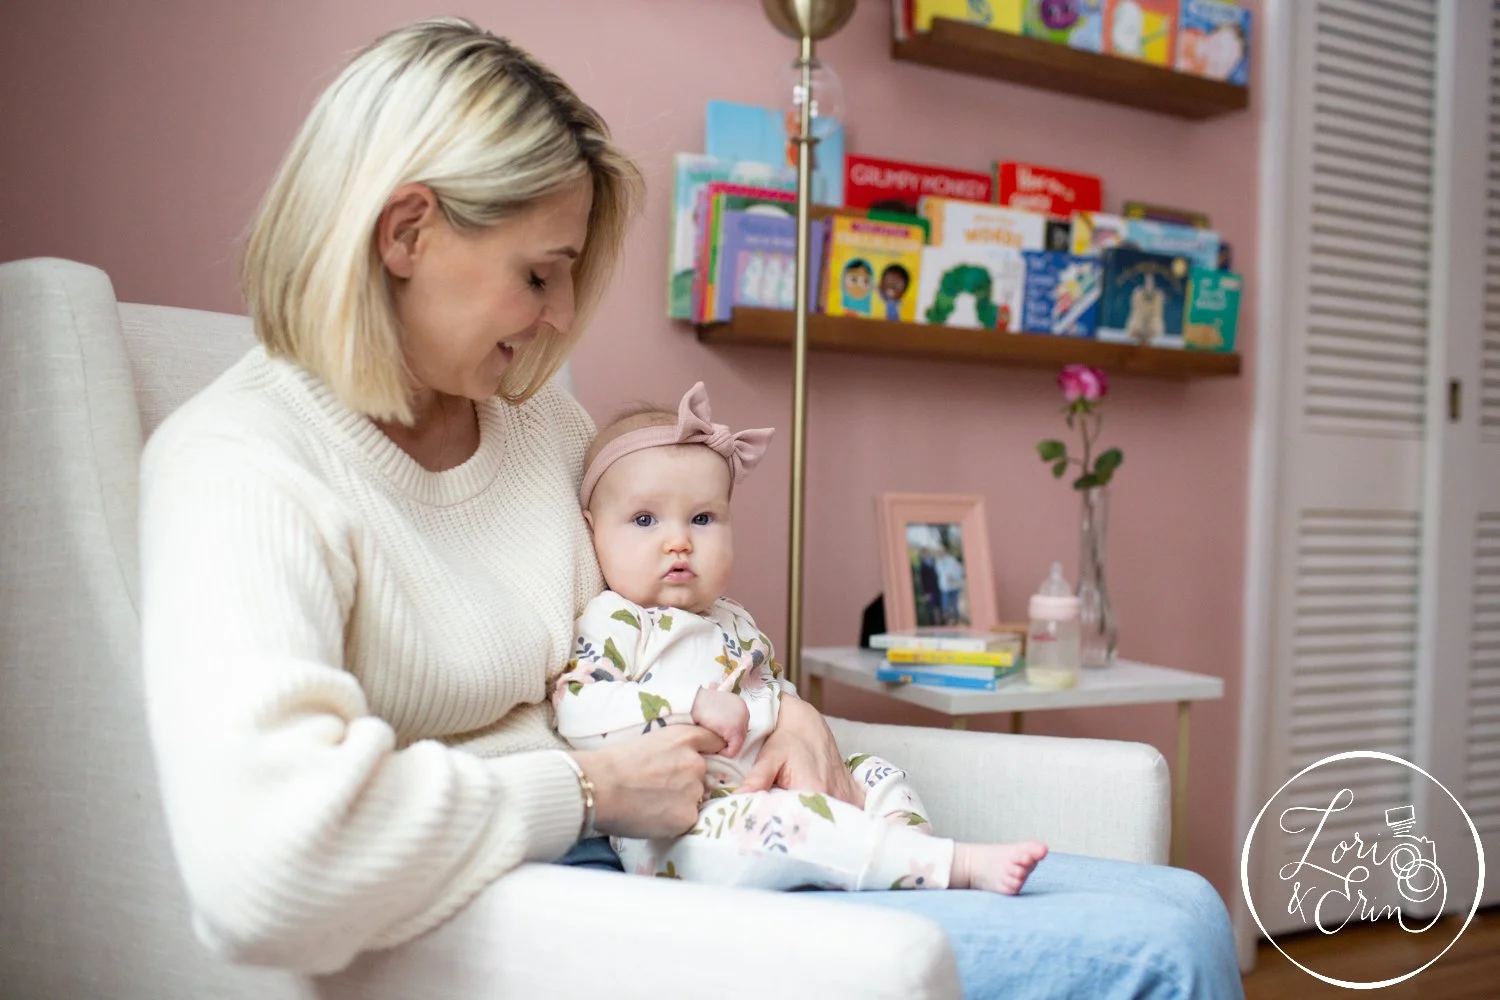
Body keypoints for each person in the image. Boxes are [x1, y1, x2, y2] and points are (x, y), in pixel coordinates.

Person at [139, 16, 1245, 997]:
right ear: (406, 233)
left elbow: (664, 637)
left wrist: (790, 714)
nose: (561, 316)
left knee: (1182, 904)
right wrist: (586, 790)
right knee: (1146, 951)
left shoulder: (535, 425)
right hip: (549, 904)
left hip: (687, 836)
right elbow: (264, 870)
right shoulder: (242, 468)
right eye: (539, 273)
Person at [556, 383, 1048, 894]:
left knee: (876, 772)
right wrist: (692, 704)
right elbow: (578, 708)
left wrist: (795, 734)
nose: (678, 541)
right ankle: (950, 866)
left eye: (702, 518)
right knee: (784, 825)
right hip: (681, 824)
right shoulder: (617, 620)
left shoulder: (735, 620)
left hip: (775, 787)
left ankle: (903, 863)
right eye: (644, 519)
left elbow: (777, 697)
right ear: (594, 531)